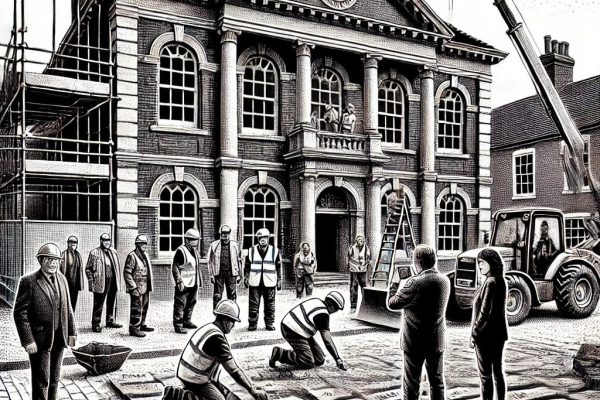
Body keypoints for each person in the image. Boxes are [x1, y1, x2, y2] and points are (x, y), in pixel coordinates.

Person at [167, 299, 269, 400]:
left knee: (229, 395)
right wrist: (251, 388)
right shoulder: (217, 339)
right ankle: (181, 396)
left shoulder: (209, 328)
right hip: (194, 379)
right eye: (232, 322)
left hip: (187, 373)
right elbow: (233, 369)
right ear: (225, 320)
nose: (233, 326)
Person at [13, 243, 77, 400]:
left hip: (59, 338)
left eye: (56, 260)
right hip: (40, 341)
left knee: (54, 379)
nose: (53, 263)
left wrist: (72, 332)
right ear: (41, 261)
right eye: (49, 259)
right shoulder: (29, 282)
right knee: (41, 380)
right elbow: (20, 313)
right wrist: (28, 340)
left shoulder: (62, 279)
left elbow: (68, 307)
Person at [387, 244, 450, 400]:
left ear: (417, 261)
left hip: (414, 342)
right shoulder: (444, 280)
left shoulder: (414, 283)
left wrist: (394, 283)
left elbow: (392, 303)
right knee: (437, 381)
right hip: (436, 340)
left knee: (412, 383)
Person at [269, 291, 348, 371]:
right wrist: (337, 359)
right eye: (337, 309)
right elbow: (327, 340)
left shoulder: (317, 301)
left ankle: (301, 353)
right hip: (292, 330)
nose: (334, 312)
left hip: (301, 330)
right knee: (308, 362)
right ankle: (280, 353)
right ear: (332, 306)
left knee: (319, 360)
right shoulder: (323, 314)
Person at [470, 248, 509, 400]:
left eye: (481, 262)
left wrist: (475, 332)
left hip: (485, 336)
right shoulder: (501, 281)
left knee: (485, 375)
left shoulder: (491, 282)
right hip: (499, 334)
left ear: (491, 263)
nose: (479, 266)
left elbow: (484, 312)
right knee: (498, 372)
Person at [244, 228, 282, 331]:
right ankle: (252, 324)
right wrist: (246, 277)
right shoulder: (251, 250)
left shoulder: (275, 251)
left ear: (268, 238)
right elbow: (247, 266)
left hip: (270, 282)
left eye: (264, 238)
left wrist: (279, 279)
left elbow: (278, 266)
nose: (262, 240)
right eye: (260, 238)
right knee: (253, 304)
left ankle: (269, 324)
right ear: (258, 239)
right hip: (254, 281)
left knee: (270, 304)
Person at [86, 233, 122, 333]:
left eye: (108, 241)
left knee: (111, 301)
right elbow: (88, 269)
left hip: (112, 281)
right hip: (100, 282)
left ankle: (110, 321)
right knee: (98, 304)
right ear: (101, 241)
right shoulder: (94, 253)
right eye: (105, 241)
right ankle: (96, 324)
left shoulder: (113, 252)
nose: (107, 243)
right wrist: (92, 282)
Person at [172, 228, 203, 334]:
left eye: (197, 240)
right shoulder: (181, 251)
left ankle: (187, 320)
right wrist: (178, 281)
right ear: (187, 240)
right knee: (180, 303)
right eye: (193, 240)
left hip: (193, 282)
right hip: (184, 283)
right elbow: (175, 267)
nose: (196, 242)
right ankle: (178, 325)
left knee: (191, 302)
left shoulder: (194, 251)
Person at [124, 234, 154, 337]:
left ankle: (142, 324)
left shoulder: (145, 255)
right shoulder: (132, 256)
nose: (144, 246)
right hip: (136, 287)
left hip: (145, 286)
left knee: (144, 306)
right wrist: (133, 288)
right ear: (137, 244)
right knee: (136, 308)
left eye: (145, 244)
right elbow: (127, 273)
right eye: (142, 244)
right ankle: (134, 327)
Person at [207, 224, 243, 310]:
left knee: (232, 295)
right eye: (223, 233)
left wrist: (239, 275)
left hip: (232, 274)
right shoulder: (214, 245)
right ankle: (216, 312)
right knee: (217, 295)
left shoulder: (235, 245)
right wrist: (211, 275)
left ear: (229, 234)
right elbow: (209, 261)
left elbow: (239, 261)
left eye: (227, 233)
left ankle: (231, 311)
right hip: (218, 274)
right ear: (220, 233)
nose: (225, 235)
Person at [60, 235, 84, 312]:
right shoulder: (63, 255)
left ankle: (71, 321)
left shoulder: (78, 255)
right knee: (65, 304)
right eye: (71, 242)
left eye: (75, 242)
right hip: (66, 284)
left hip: (75, 286)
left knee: (73, 304)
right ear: (68, 243)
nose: (73, 244)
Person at [347, 235, 371, 312]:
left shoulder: (366, 248)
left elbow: (368, 258)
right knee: (353, 287)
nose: (360, 241)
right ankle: (353, 306)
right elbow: (348, 256)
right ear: (356, 241)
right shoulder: (352, 247)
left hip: (363, 269)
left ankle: (366, 305)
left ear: (363, 241)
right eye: (358, 240)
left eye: (361, 240)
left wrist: (364, 265)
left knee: (364, 286)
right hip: (354, 269)